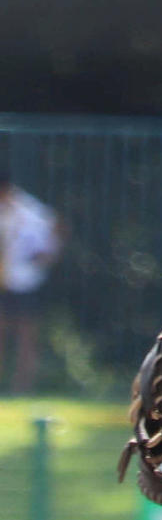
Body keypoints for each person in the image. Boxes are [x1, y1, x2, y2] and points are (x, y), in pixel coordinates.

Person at [0, 153, 65, 395]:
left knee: (26, 336)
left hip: (26, 282)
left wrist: (45, 260)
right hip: (4, 281)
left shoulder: (28, 210)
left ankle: (22, 388)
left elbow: (56, 230)